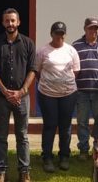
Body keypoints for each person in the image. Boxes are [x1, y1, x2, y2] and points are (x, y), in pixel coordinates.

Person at [0, 8, 37, 182]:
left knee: (22, 136)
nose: (10, 24)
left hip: (22, 98)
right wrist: (4, 91)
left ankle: (24, 171)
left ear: (18, 22)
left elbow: (32, 69)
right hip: (1, 99)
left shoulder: (28, 43)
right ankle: (1, 172)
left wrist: (21, 91)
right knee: (1, 136)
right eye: (7, 21)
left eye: (13, 21)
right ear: (3, 23)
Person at [36, 21, 80, 172]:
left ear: (65, 35)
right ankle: (47, 157)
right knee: (49, 125)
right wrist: (51, 84)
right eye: (56, 33)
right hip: (47, 94)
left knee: (65, 126)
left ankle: (64, 156)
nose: (59, 36)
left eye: (62, 34)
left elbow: (76, 71)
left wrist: (63, 84)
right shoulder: (42, 51)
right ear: (51, 34)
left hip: (68, 94)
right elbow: (38, 71)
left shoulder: (71, 51)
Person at [72, 17, 98, 161]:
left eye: (95, 28)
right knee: (82, 121)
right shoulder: (76, 45)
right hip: (81, 90)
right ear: (85, 28)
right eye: (90, 28)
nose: (93, 31)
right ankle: (83, 150)